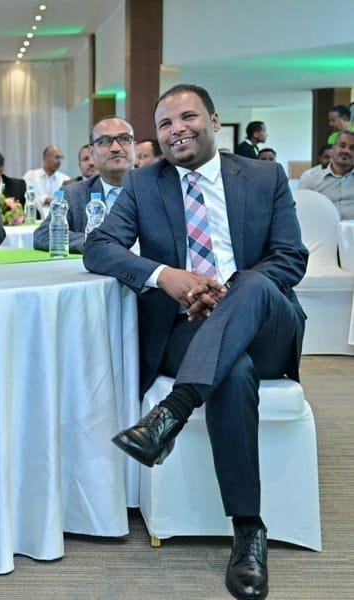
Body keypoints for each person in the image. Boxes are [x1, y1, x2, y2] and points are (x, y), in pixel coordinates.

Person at [84, 84, 308, 600]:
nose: (176, 130)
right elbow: (99, 247)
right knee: (232, 371)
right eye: (165, 124)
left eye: (188, 117)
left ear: (214, 121)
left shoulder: (264, 176)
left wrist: (229, 297)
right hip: (189, 328)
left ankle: (171, 412)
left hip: (268, 324)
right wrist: (166, 276)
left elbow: (290, 258)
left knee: (251, 283)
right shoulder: (143, 183)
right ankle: (249, 530)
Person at [33, 116, 135, 254]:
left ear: (134, 146)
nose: (116, 148)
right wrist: (97, 243)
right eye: (105, 141)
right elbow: (43, 235)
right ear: (92, 152)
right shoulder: (73, 194)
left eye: (124, 139)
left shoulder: (155, 188)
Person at [298, 130, 354, 220]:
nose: (346, 151)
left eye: (352, 148)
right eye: (342, 145)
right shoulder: (310, 177)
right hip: (321, 227)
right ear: (333, 148)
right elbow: (302, 210)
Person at [23, 144, 70, 218]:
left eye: (61, 158)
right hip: (34, 217)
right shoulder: (30, 176)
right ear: (45, 158)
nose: (59, 161)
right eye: (57, 157)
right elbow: (26, 197)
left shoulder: (65, 179)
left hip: (57, 218)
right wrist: (45, 199)